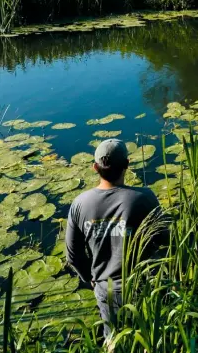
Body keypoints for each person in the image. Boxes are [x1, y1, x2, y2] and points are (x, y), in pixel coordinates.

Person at [65, 139, 164, 338]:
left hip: (105, 290)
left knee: (113, 339)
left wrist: (90, 279)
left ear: (95, 167)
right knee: (150, 337)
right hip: (142, 286)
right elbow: (165, 239)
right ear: (127, 164)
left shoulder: (79, 204)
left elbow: (73, 256)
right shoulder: (144, 198)